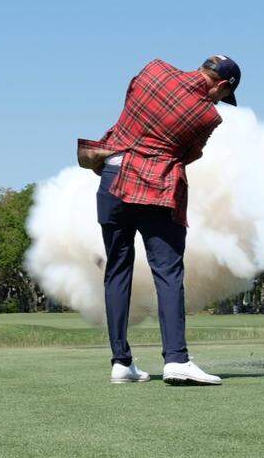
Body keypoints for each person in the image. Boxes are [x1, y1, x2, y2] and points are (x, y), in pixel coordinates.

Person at [78, 55, 241, 385]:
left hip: (111, 179)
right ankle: (176, 359)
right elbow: (189, 154)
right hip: (155, 188)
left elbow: (129, 109)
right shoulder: (208, 116)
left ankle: (121, 364)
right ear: (222, 85)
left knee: (117, 270)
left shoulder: (153, 69)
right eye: (223, 96)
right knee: (167, 273)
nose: (219, 102)